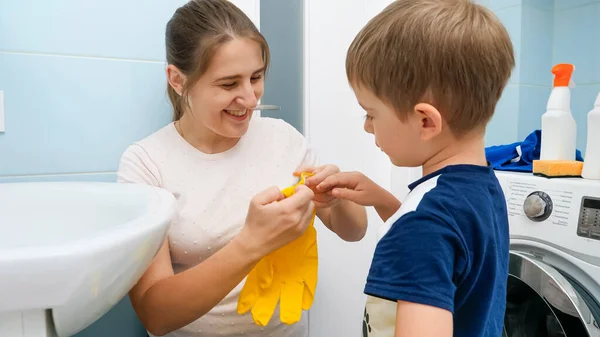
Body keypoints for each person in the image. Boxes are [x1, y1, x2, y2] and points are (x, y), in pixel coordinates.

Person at [116, 1, 367, 336]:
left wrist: (337, 198)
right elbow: (155, 315)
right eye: (229, 84)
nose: (250, 98)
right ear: (177, 80)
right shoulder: (145, 164)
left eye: (256, 77)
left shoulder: (282, 138)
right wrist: (252, 242)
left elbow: (354, 231)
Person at [316, 1, 515, 336]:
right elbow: (450, 252)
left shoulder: (422, 226)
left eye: (371, 113)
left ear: (425, 121)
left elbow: (426, 238)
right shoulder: (479, 186)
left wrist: (406, 223)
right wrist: (384, 202)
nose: (367, 127)